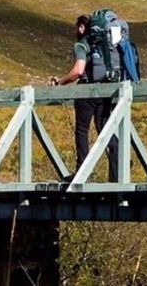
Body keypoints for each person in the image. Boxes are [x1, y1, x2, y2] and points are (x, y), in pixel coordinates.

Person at [50, 14, 118, 182]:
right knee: (105, 128)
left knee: (82, 130)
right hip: (106, 89)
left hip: (86, 92)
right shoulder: (104, 43)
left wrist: (60, 82)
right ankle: (119, 167)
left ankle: (82, 172)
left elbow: (78, 71)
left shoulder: (82, 44)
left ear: (81, 27)